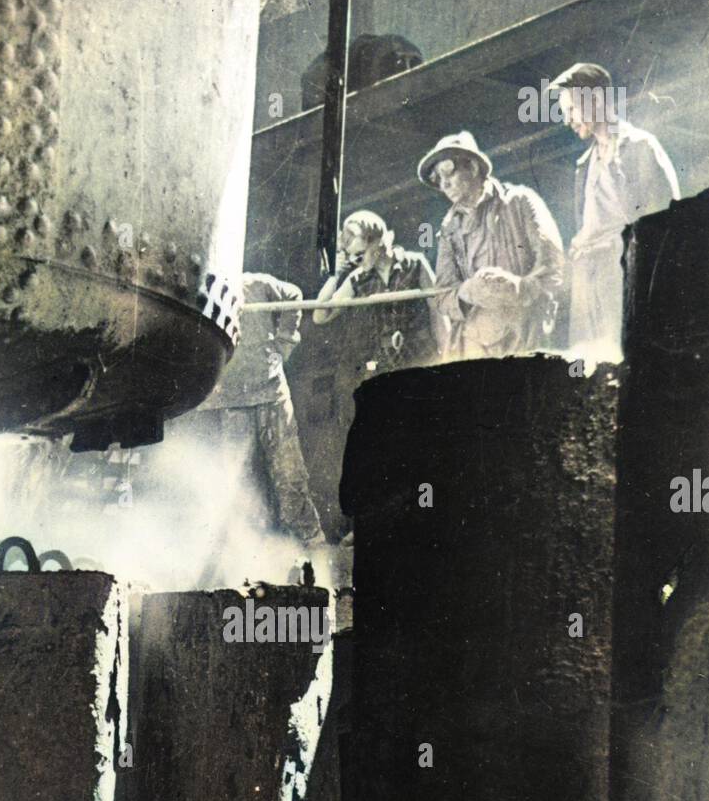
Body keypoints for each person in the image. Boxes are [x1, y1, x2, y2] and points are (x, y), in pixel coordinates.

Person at [549, 62, 680, 361]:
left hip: (626, 278)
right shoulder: (583, 165)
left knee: (630, 361)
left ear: (596, 100)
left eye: (571, 109)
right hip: (590, 283)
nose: (567, 119)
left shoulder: (640, 146)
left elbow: (665, 225)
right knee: (591, 369)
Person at [199, 271, 326, 548]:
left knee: (289, 473)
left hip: (270, 391)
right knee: (240, 480)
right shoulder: (201, 291)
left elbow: (293, 294)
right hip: (230, 400)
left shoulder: (255, 283)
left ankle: (312, 544)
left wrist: (284, 343)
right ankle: (251, 551)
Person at [418, 131, 565, 361]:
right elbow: (442, 294)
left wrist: (518, 288)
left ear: (474, 168)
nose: (444, 183)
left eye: (448, 170)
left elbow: (554, 266)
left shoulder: (519, 201)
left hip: (525, 335)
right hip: (477, 344)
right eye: (437, 178)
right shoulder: (449, 229)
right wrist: (466, 292)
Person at [313, 209, 437, 371]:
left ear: (379, 242)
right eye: (351, 256)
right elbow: (320, 316)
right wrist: (334, 276)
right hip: (388, 361)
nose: (355, 261)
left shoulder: (415, 263)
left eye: (360, 254)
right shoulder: (358, 279)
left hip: (422, 354)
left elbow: (439, 310)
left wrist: (448, 351)